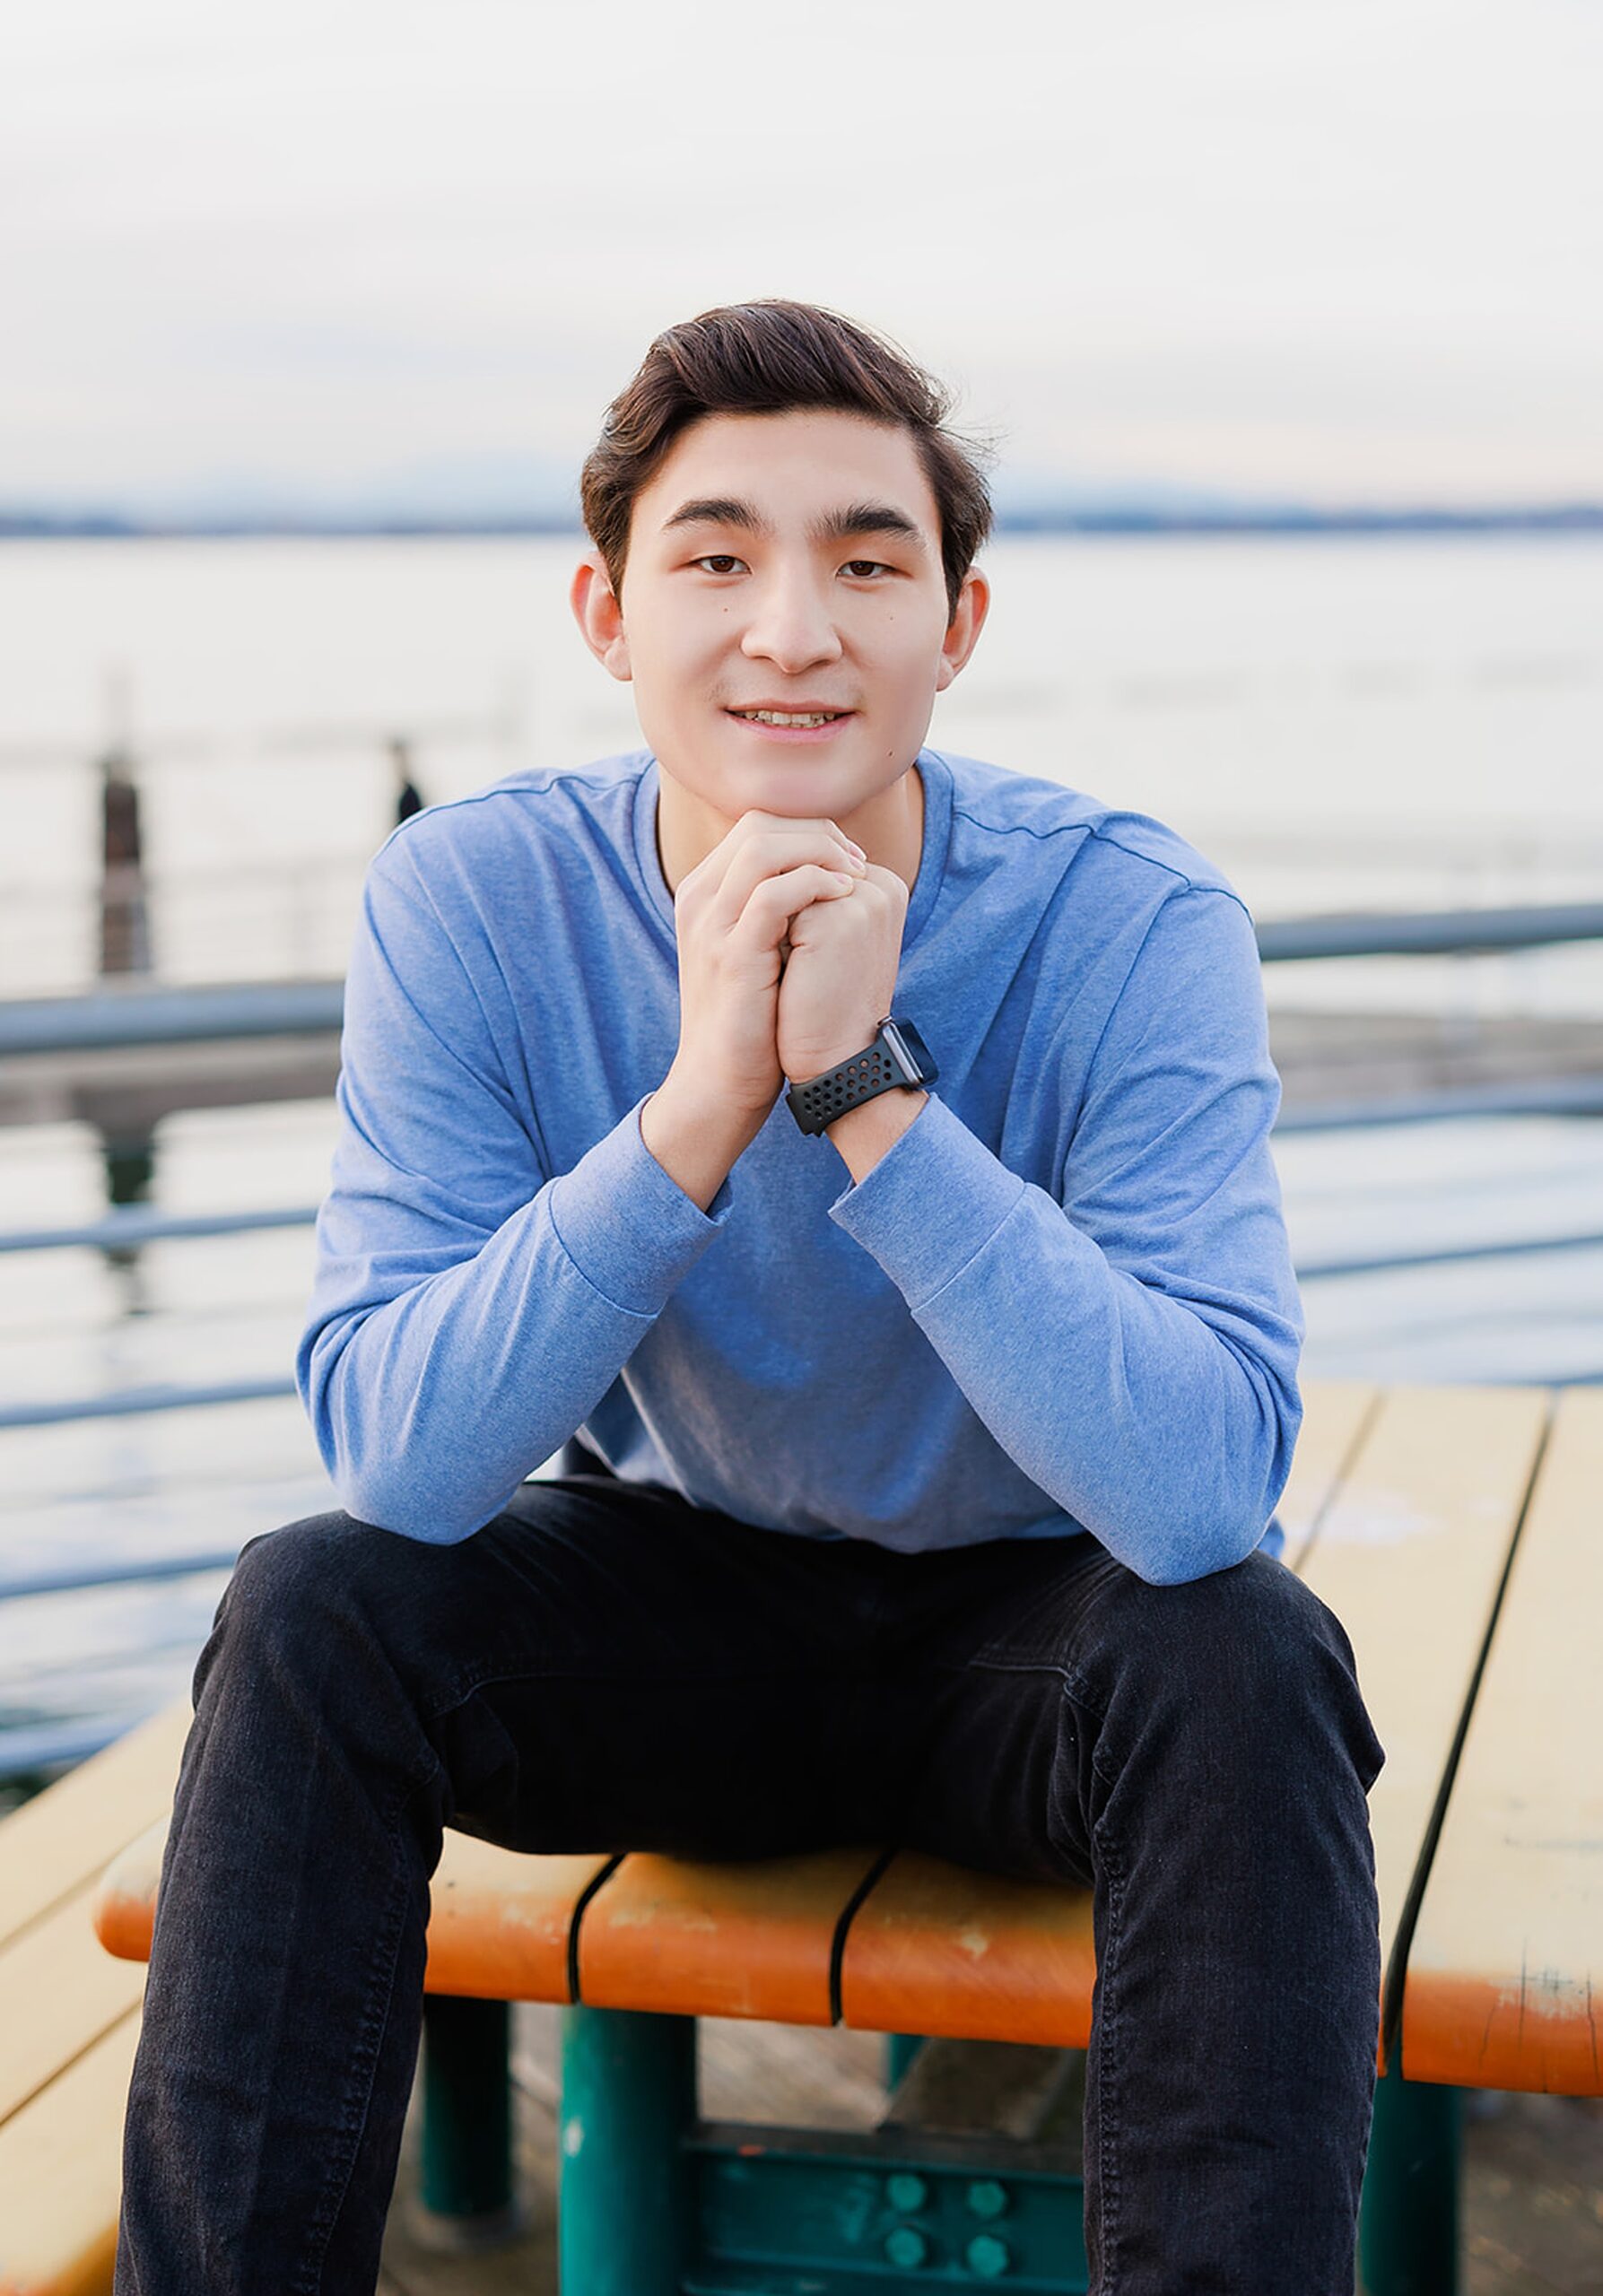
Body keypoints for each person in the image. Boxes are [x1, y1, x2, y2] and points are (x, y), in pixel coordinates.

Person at [116, 299, 1384, 2294]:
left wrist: (869, 1092)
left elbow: (1202, 1491)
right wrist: (702, 1101)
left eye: (869, 560)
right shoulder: (475, 898)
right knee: (309, 1607)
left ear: (957, 622)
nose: (793, 626)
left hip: (1033, 1644)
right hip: (673, 1615)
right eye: (715, 556)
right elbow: (404, 1457)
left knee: (1252, 1650)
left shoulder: (1132, 916)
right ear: (609, 612)